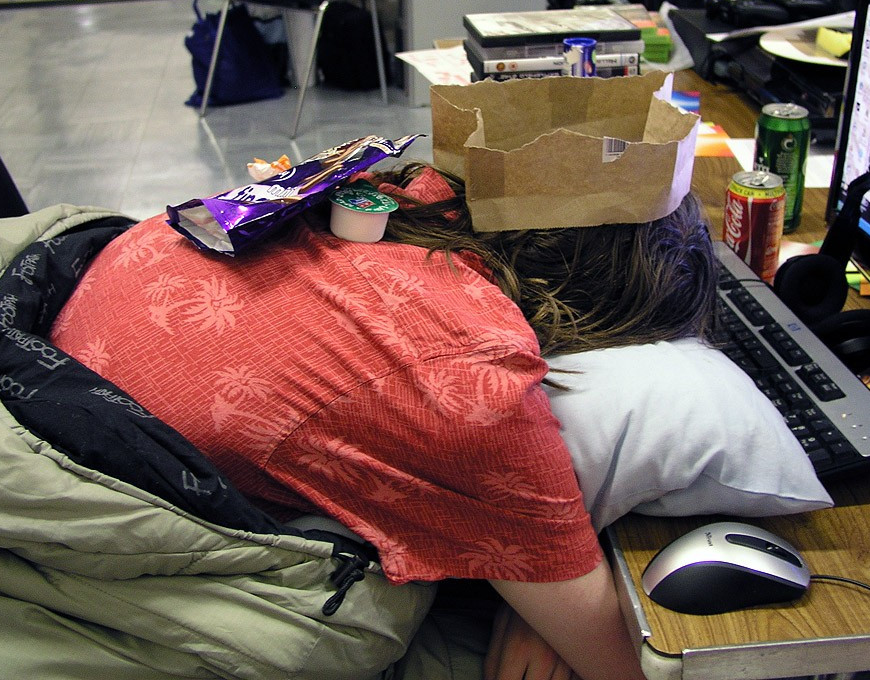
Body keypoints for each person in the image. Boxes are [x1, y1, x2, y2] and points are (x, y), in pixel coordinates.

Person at [49, 162, 719, 680]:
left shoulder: (402, 191)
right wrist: (554, 609)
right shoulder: (467, 379)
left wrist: (539, 602)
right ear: (598, 329)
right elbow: (624, 663)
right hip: (114, 553)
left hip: (59, 364)